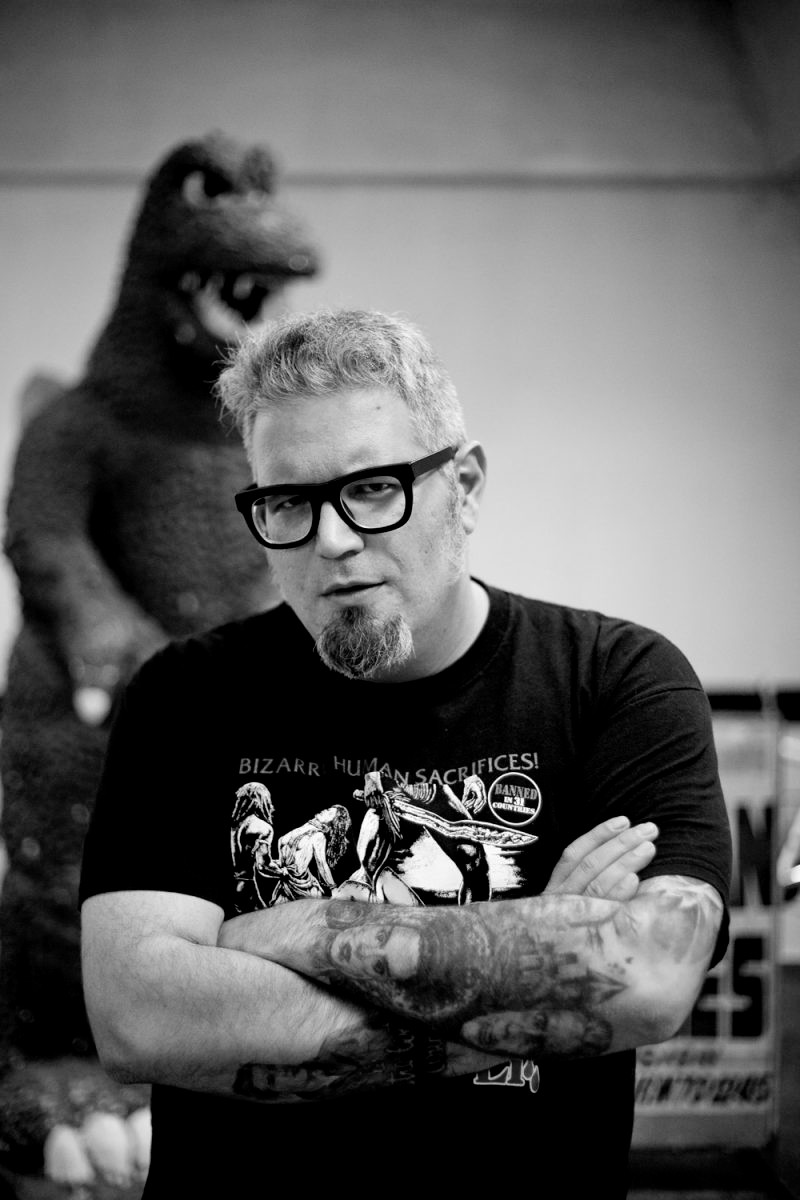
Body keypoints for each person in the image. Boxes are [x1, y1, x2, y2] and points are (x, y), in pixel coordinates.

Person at [80, 308, 732, 1198]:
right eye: (288, 502)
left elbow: (651, 976)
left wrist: (287, 933)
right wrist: (540, 946)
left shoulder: (617, 681)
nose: (332, 540)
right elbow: (139, 1018)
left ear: (464, 486)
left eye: (374, 488)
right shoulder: (186, 696)